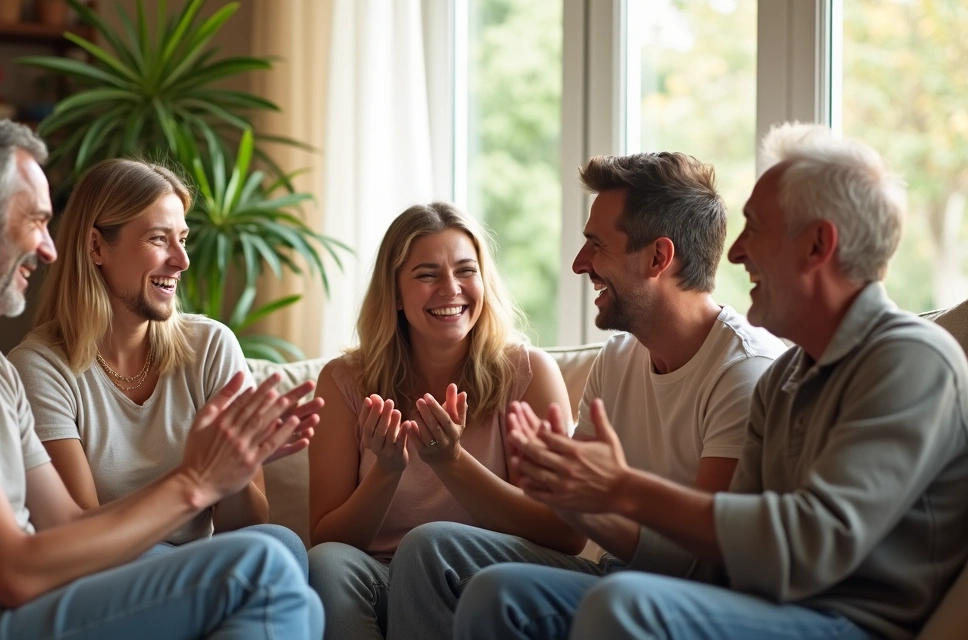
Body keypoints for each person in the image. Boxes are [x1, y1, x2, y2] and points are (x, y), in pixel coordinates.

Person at [0, 114, 323, 640]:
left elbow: (68, 525)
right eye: (35, 222)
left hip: (12, 609)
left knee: (280, 569)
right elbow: (13, 569)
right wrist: (195, 481)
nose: (49, 249)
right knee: (262, 569)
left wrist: (225, 471)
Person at [456, 123, 968, 639]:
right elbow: (717, 557)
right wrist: (578, 496)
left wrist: (624, 488)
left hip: (851, 623)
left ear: (818, 245)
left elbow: (815, 544)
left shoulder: (911, 359)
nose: (737, 252)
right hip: (766, 608)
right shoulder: (786, 379)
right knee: (500, 595)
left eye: (756, 228)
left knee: (623, 604)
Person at [385, 152, 786, 639]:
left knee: (508, 592)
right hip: (616, 575)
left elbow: (704, 560)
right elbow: (569, 523)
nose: (579, 263)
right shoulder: (618, 358)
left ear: (658, 257)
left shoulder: (743, 370)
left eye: (596, 245)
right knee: (431, 547)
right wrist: (567, 491)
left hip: (695, 601)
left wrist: (603, 496)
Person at [7, 158, 318, 573]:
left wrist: (235, 470)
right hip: (115, 570)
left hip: (208, 562)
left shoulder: (211, 346)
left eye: (183, 239)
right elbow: (77, 537)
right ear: (97, 247)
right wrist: (198, 474)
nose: (182, 260)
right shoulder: (41, 369)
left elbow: (243, 528)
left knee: (279, 543)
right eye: (158, 239)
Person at [307, 202, 583, 639]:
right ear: (395, 293)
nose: (451, 289)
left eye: (465, 271)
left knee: (428, 542)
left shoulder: (528, 373)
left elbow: (565, 534)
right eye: (427, 274)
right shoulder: (344, 382)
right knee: (326, 563)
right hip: (380, 575)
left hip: (482, 573)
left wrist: (452, 463)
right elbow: (325, 536)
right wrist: (387, 471)